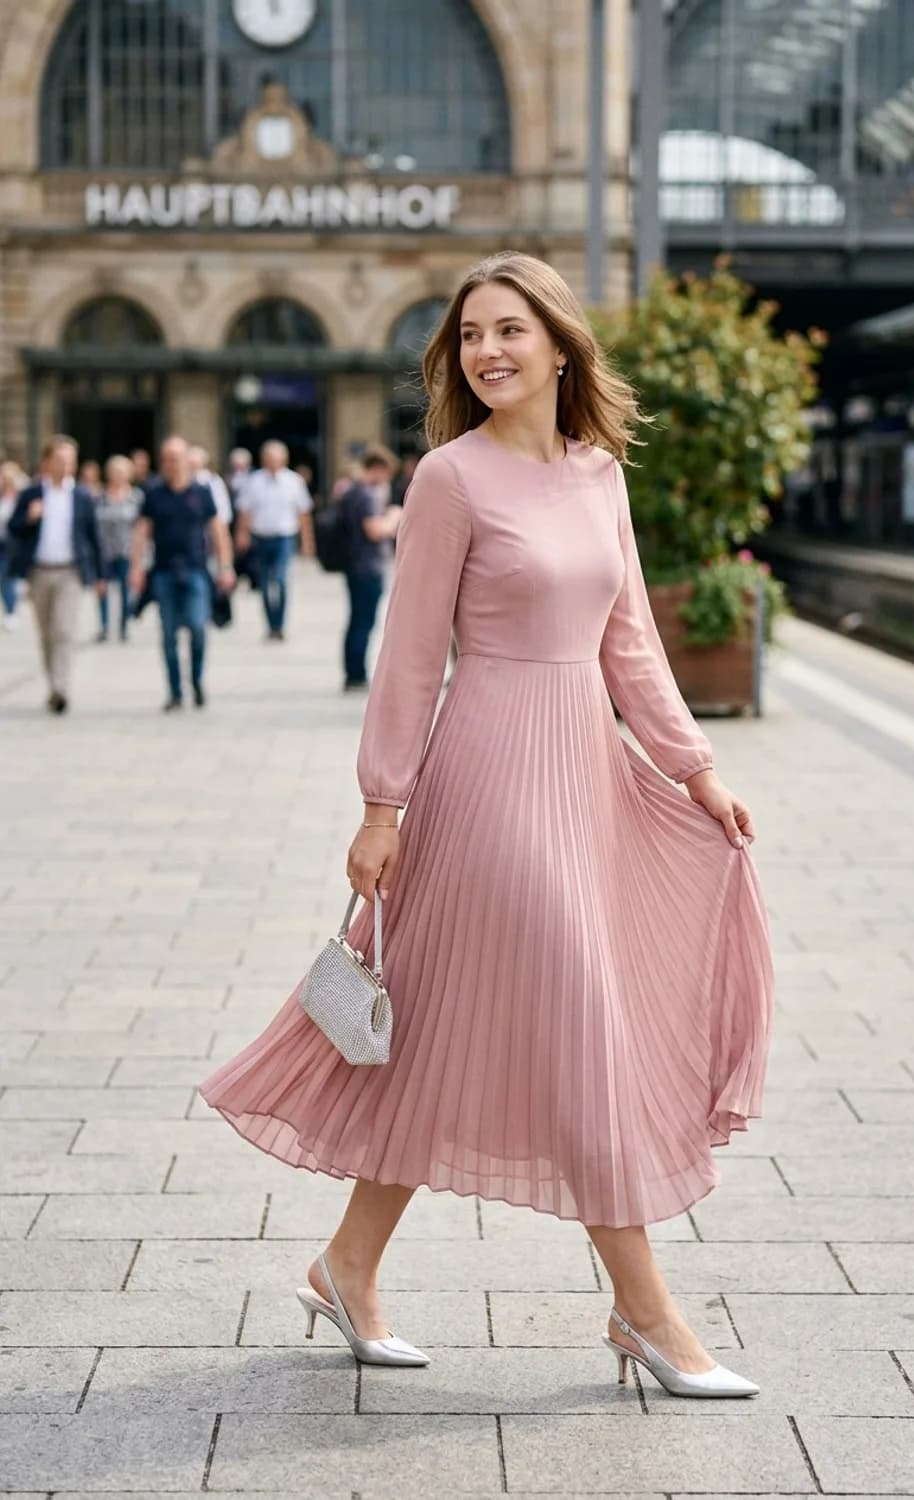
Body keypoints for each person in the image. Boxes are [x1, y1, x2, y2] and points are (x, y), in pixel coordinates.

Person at [200, 252, 773, 1397]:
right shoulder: (450, 478)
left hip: (584, 772)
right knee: (579, 1015)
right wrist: (380, 804)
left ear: (560, 345)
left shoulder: (598, 472)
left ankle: (346, 1267)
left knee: (446, 1037)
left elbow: (629, 646)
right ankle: (647, 1312)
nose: (488, 352)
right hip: (486, 777)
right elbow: (410, 658)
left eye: (510, 330)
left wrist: (694, 768)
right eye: (470, 336)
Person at [129, 435, 235, 712]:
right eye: (166, 458)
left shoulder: (202, 492)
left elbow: (218, 530)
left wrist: (225, 566)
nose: (171, 464)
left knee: (199, 628)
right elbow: (142, 531)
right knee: (168, 634)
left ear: (188, 460)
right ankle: (175, 691)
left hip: (197, 570)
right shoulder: (153, 492)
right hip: (163, 571)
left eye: (175, 458)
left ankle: (197, 681)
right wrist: (136, 567)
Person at [7, 434, 106, 713]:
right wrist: (29, 517)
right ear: (47, 462)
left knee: (63, 630)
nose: (66, 467)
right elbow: (14, 528)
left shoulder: (82, 497)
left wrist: (100, 575)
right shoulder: (32, 493)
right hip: (39, 571)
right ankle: (52, 684)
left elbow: (93, 538)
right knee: (46, 634)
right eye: (60, 460)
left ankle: (60, 688)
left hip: (70, 572)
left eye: (70, 461)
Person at [234, 440, 316, 640]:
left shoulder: (294, 481)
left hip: (284, 538)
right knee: (263, 582)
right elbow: (245, 511)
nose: (272, 462)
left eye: (276, 458)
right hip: (261, 538)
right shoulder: (254, 481)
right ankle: (270, 625)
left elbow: (303, 514)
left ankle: (280, 624)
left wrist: (307, 542)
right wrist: (242, 534)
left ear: (284, 459)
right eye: (268, 458)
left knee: (280, 579)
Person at [337, 449, 403, 691]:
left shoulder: (350, 492)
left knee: (356, 619)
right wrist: (394, 517)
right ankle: (356, 674)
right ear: (378, 469)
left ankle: (353, 671)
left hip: (355, 564)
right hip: (367, 566)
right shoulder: (364, 495)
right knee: (364, 621)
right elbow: (375, 530)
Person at [94, 454, 141, 642]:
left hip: (127, 549)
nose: (118, 476)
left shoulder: (136, 497)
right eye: (114, 472)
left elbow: (142, 527)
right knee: (103, 589)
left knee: (125, 590)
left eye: (121, 472)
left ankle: (124, 626)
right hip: (104, 550)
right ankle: (104, 626)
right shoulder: (100, 497)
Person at [0, 461, 28, 631]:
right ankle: (11, 608)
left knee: (7, 578)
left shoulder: (20, 497)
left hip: (14, 544)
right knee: (4, 580)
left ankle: (11, 611)